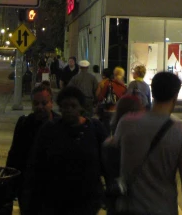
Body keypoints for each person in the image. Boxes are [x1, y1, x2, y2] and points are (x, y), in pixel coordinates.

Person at [112, 70, 182, 215]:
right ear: (175, 97)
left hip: (128, 208)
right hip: (163, 209)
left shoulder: (126, 122)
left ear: (152, 92)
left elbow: (113, 157)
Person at [23, 85, 107, 215]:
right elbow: (35, 165)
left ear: (81, 108)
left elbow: (106, 162)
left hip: (87, 201)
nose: (69, 110)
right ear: (60, 108)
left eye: (73, 106)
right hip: (55, 201)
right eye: (65, 106)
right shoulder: (50, 130)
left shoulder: (94, 129)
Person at [6, 84, 60, 213]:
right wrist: (10, 185)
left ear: (51, 103)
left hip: (54, 189)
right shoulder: (25, 124)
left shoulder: (60, 124)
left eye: (44, 103)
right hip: (28, 189)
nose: (39, 107)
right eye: (36, 103)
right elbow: (14, 155)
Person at [96, 66, 128, 130]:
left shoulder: (107, 83)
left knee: (106, 131)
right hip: (118, 112)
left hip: (107, 110)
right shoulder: (124, 87)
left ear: (114, 74)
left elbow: (100, 97)